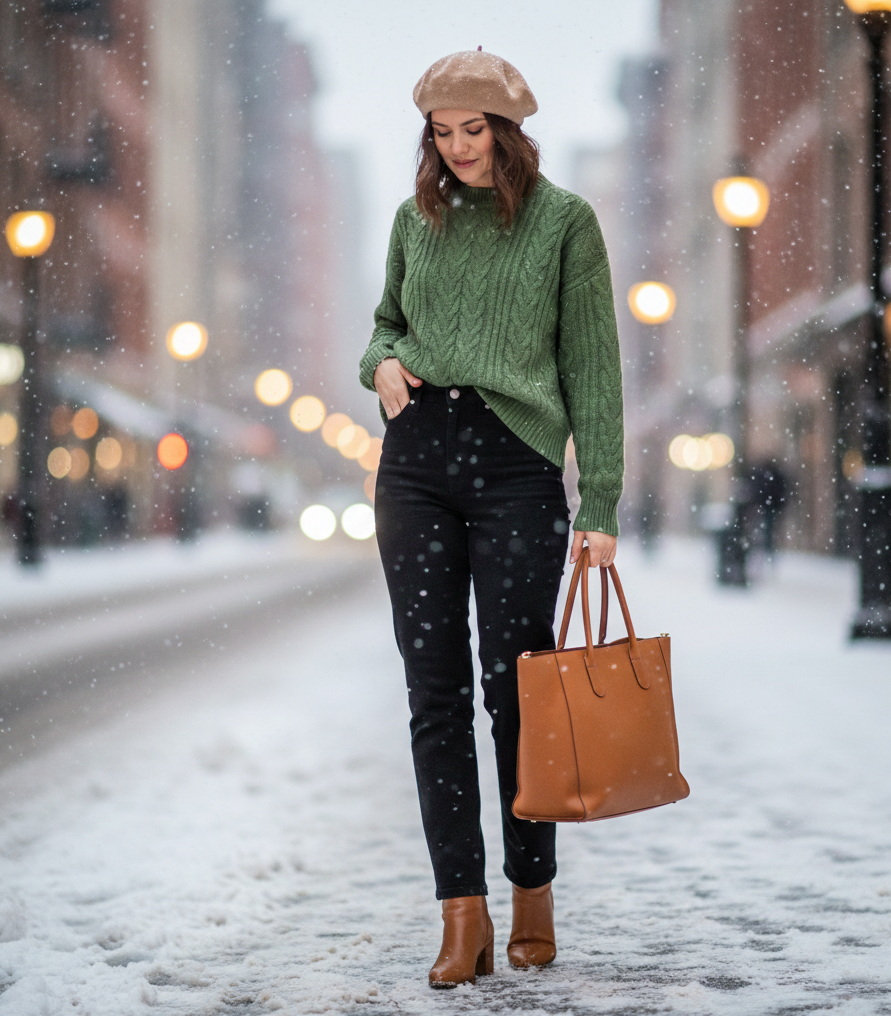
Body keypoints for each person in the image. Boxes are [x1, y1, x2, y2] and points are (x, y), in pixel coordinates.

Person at [359, 49, 624, 988]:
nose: (459, 148)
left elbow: (592, 366)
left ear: (508, 132)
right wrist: (381, 366)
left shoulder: (563, 223)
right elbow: (385, 324)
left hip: (516, 468)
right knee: (432, 696)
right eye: (443, 132)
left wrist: (598, 504)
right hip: (418, 462)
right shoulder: (413, 217)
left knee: (516, 691)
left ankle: (532, 892)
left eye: (475, 130)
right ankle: (459, 914)